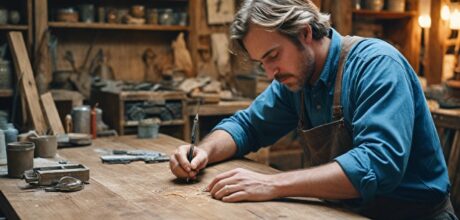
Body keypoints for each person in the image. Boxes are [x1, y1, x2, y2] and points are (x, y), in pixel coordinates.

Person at [169, 0, 457, 218]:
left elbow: (377, 165)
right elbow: (247, 126)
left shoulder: (377, 65)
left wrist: (274, 184)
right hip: (346, 213)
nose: (271, 73)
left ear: (305, 33)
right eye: (262, 63)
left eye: (273, 56)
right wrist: (203, 153)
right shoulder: (296, 81)